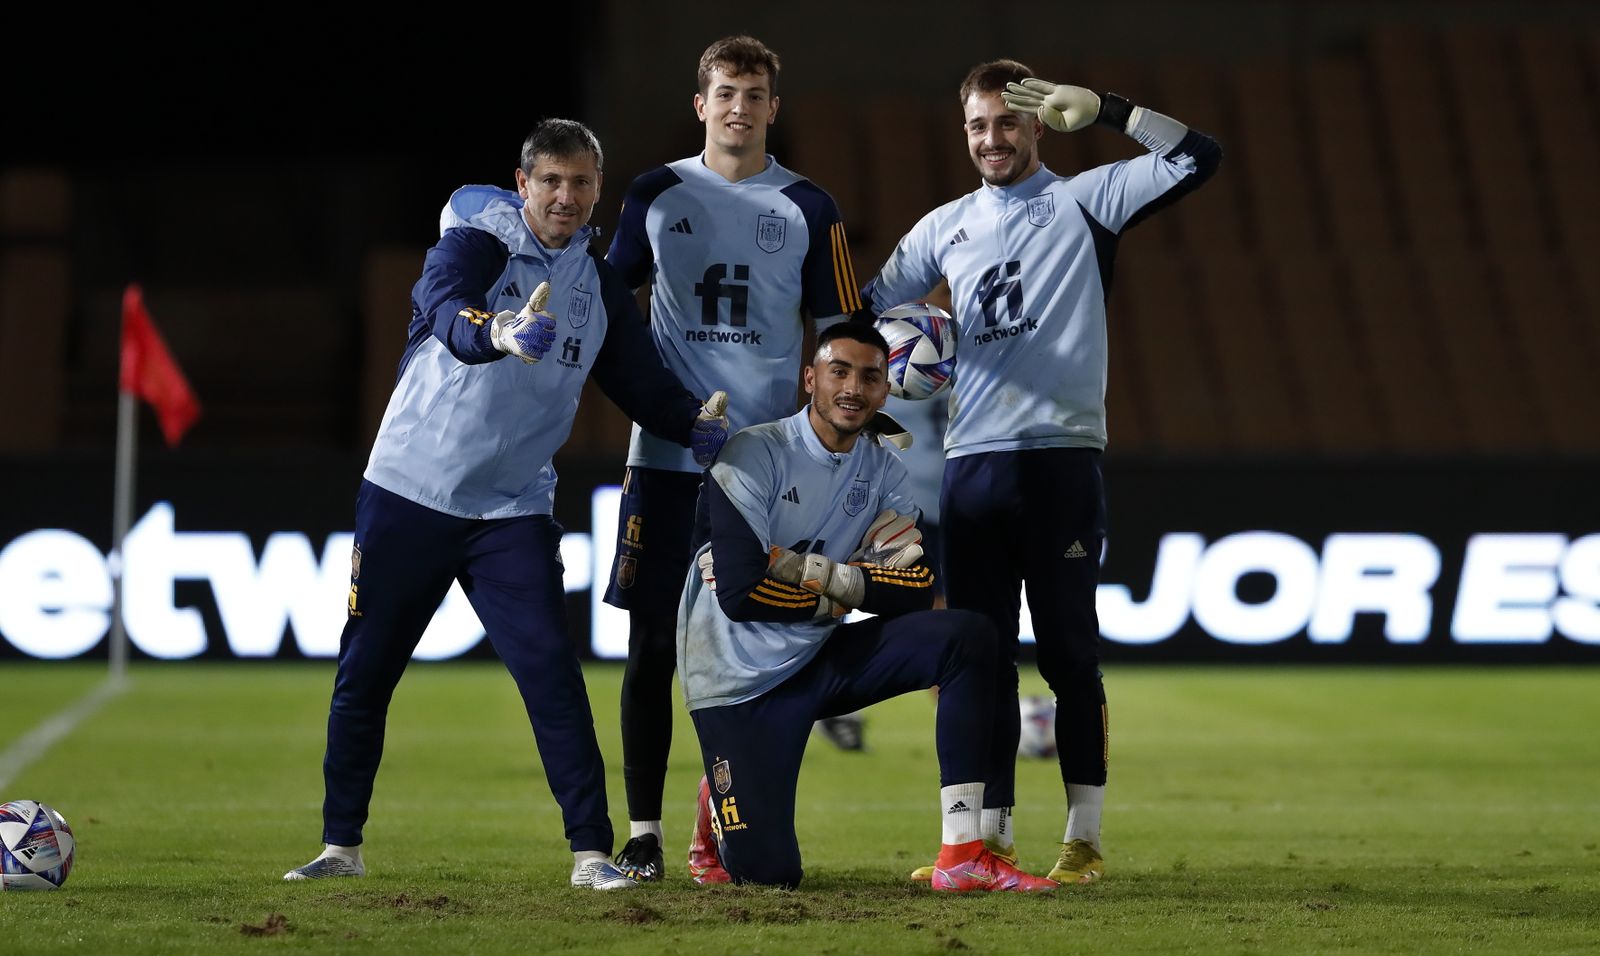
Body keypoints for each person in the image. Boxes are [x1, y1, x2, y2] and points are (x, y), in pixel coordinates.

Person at [283, 119, 730, 892]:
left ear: (599, 191)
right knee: (367, 672)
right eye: (550, 181)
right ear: (522, 184)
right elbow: (447, 307)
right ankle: (339, 846)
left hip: (512, 509)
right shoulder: (477, 241)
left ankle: (591, 856)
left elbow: (641, 384)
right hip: (410, 492)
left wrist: (695, 423)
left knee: (553, 675)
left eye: (581, 182)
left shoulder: (595, 287)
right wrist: (499, 333)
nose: (565, 196)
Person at [862, 61, 1222, 885]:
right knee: (978, 658)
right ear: (966, 132)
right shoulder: (943, 227)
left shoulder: (1088, 199)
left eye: (1008, 123)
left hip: (1062, 463)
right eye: (979, 125)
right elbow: (865, 313)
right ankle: (987, 840)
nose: (993, 139)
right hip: (973, 468)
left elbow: (1200, 155)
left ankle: (1084, 838)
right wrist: (897, 361)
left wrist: (1109, 111)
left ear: (1037, 125)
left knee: (1067, 656)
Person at [599, 35, 863, 882]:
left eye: (754, 93)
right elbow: (608, 309)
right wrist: (662, 407)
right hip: (666, 456)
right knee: (649, 646)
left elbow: (842, 335)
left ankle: (720, 824)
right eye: (725, 91)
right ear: (700, 104)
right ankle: (642, 832)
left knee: (763, 642)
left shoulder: (810, 207)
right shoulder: (654, 192)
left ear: (773, 108)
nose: (739, 106)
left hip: (762, 471)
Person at [677, 322, 1056, 892]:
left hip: (821, 659)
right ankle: (717, 801)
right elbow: (739, 593)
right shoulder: (752, 453)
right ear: (811, 379)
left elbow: (913, 586)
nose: (853, 387)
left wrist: (821, 576)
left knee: (968, 636)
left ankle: (963, 853)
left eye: (870, 377)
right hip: (739, 684)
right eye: (840, 371)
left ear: (886, 391)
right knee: (768, 874)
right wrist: (847, 593)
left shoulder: (882, 469)